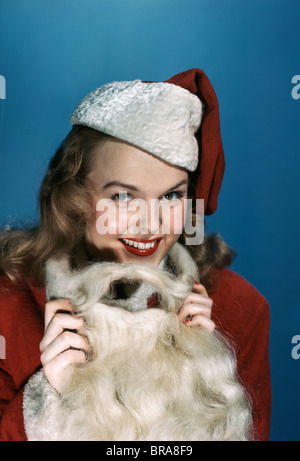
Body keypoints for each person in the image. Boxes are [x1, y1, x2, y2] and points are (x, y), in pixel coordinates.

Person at [0, 68, 271, 441]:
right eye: (123, 196)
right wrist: (50, 398)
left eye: (171, 196)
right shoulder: (7, 306)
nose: (150, 225)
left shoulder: (240, 307)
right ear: (75, 195)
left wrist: (205, 380)